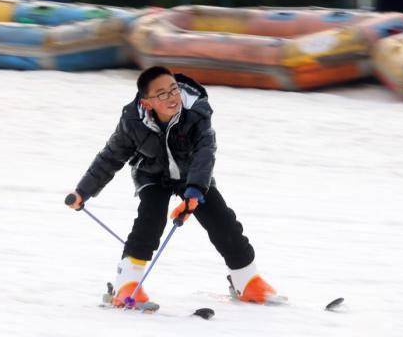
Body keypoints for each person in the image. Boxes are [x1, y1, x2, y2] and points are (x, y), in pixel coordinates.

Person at [66, 66, 278, 306]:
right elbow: (110, 157)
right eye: (162, 94)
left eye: (173, 90)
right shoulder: (132, 121)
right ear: (147, 103)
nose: (172, 97)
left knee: (221, 220)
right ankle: (126, 284)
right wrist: (82, 191)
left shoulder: (196, 112)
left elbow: (205, 152)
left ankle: (246, 281)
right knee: (150, 220)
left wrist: (196, 190)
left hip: (191, 174)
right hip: (152, 175)